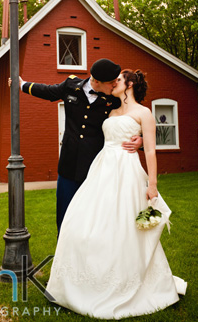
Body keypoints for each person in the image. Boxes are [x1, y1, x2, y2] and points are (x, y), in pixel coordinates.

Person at [45, 69, 186, 318]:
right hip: (102, 170)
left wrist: (152, 183)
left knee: (123, 228)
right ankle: (84, 281)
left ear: (129, 84)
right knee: (85, 224)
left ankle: (128, 282)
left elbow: (151, 151)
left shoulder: (144, 113)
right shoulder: (109, 109)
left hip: (127, 172)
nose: (113, 84)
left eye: (118, 80)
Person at [16, 58, 141, 234]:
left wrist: (140, 139)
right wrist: (23, 85)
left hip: (96, 169)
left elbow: (134, 117)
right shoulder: (70, 86)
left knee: (92, 220)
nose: (115, 84)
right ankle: (63, 259)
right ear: (97, 81)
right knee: (64, 217)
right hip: (68, 165)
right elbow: (48, 91)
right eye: (111, 82)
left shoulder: (114, 100)